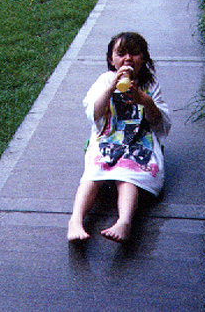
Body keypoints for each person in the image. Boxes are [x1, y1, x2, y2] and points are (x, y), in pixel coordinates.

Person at [67, 32, 171, 243]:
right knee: (93, 174)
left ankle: (124, 221)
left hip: (138, 140)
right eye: (121, 53)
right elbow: (94, 112)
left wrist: (145, 100)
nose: (128, 59)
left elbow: (160, 122)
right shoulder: (105, 80)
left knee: (128, 173)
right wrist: (111, 87)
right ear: (111, 59)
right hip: (110, 137)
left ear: (144, 59)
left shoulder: (149, 85)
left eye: (135, 53)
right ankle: (76, 220)